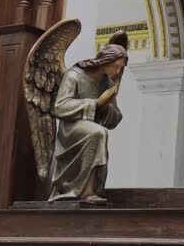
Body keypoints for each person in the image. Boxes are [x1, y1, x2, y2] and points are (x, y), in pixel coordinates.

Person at [48, 44, 128, 203]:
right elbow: (60, 107)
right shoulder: (74, 75)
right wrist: (96, 103)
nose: (118, 71)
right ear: (106, 60)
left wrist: (105, 107)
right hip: (71, 129)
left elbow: (115, 119)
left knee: (99, 132)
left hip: (90, 127)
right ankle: (86, 191)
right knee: (97, 132)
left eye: (121, 68)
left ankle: (92, 190)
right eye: (116, 66)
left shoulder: (108, 83)